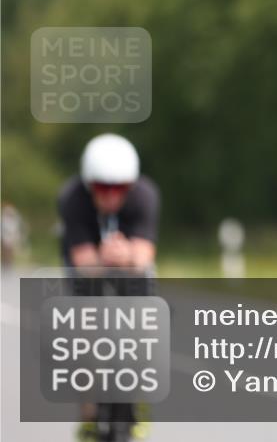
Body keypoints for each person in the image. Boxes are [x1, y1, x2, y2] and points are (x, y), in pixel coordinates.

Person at [57, 133, 160, 441]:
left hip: (131, 267)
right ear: (89, 185)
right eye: (103, 187)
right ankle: (89, 412)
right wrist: (106, 256)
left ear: (131, 185)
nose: (112, 195)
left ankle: (138, 400)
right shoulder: (71, 198)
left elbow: (142, 257)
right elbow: (84, 262)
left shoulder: (145, 195)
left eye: (120, 188)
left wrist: (125, 255)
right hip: (86, 265)